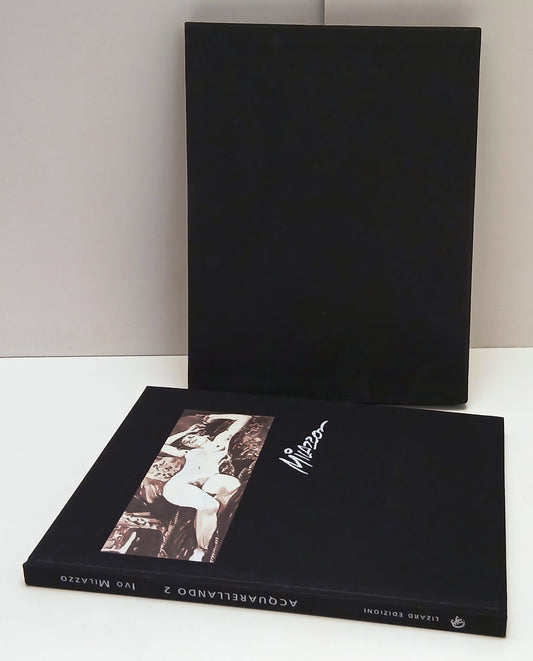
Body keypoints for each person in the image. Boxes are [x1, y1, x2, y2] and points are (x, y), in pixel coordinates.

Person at [160, 413, 251, 562]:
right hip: (177, 487)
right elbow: (163, 445)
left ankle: (211, 524)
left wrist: (215, 416)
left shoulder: (221, 440)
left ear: (202, 434)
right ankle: (200, 551)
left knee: (233, 484)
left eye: (191, 436)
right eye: (187, 441)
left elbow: (245, 418)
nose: (189, 439)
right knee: (210, 505)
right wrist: (186, 432)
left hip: (204, 483)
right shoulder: (187, 452)